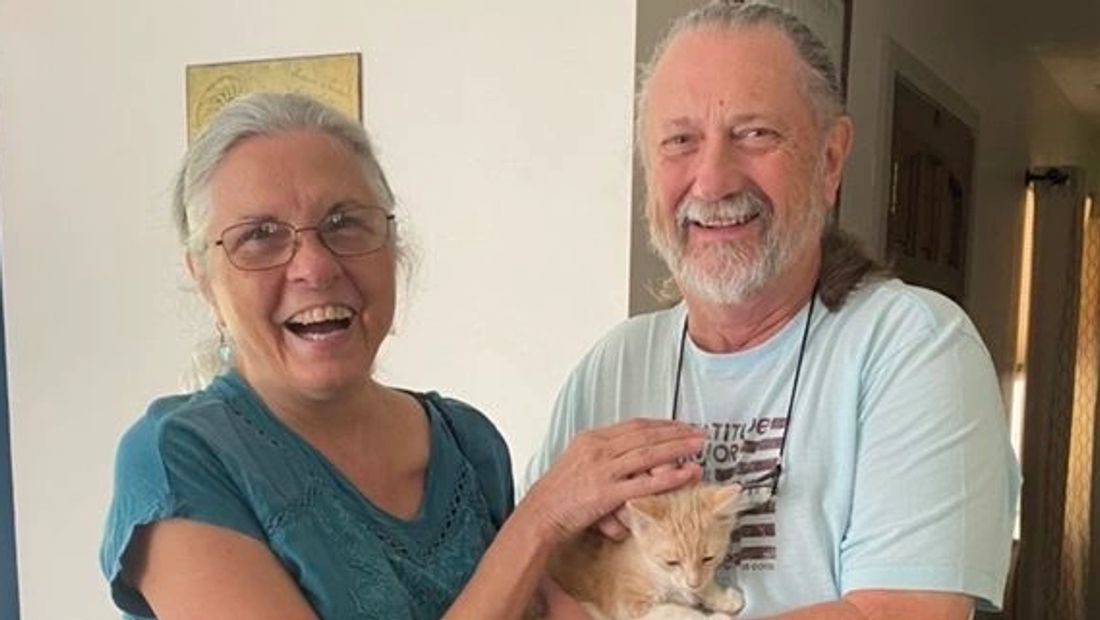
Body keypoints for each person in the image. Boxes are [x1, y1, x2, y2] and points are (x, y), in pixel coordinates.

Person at [100, 92, 705, 620]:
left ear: (392, 246)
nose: (314, 266)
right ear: (205, 281)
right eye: (260, 235)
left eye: (344, 222)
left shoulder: (466, 443)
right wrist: (541, 521)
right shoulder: (178, 462)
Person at [525, 3, 1020, 619]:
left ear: (830, 159)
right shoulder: (613, 365)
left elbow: (900, 613)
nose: (712, 182)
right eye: (680, 140)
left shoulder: (915, 347)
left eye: (754, 133)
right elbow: (538, 588)